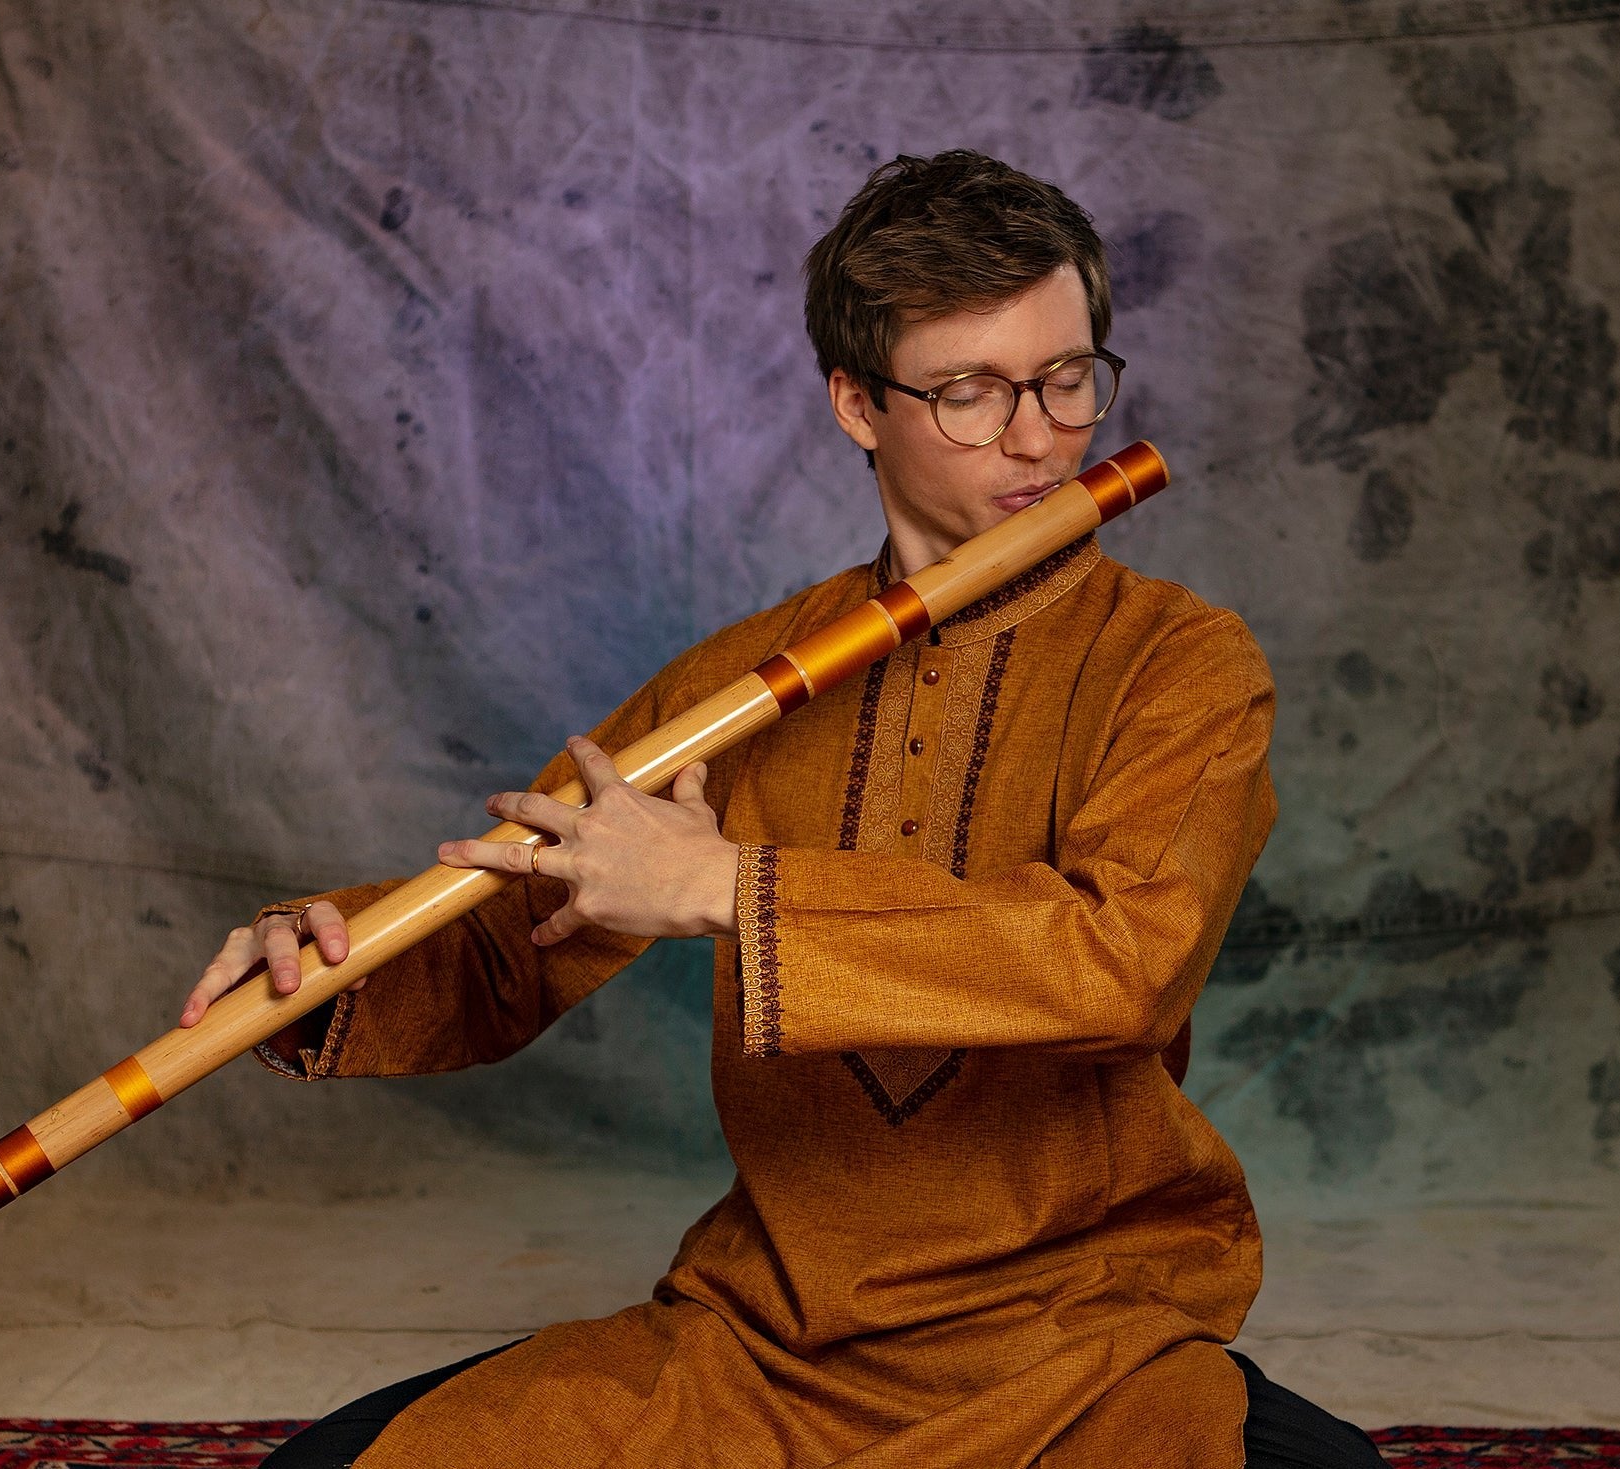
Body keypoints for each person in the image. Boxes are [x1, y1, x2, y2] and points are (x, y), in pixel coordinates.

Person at [181, 150, 1389, 1469]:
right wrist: (324, 960)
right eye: (971, 392)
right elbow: (501, 942)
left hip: (1080, 1338)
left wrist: (727, 889)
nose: (1039, 434)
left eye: (1065, 377)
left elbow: (1124, 962)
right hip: (766, 1341)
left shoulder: (1181, 662)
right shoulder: (741, 683)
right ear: (856, 404)